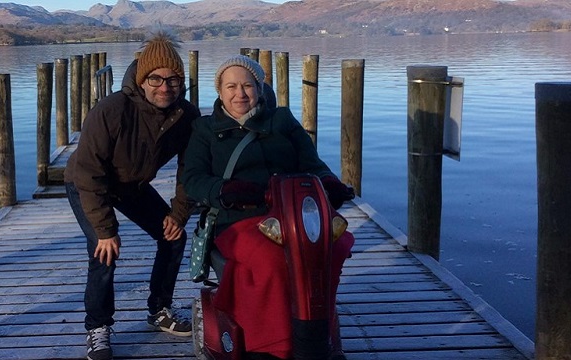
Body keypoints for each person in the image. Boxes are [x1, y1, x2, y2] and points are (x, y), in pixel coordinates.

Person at [182, 55, 355, 360]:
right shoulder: (204, 129)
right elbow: (192, 180)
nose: (240, 93)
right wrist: (223, 190)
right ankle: (273, 346)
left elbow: (312, 164)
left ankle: (317, 330)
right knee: (273, 260)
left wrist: (330, 183)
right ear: (220, 92)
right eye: (231, 86)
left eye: (248, 85)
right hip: (237, 217)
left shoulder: (283, 121)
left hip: (292, 213)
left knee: (336, 246)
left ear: (260, 90)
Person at [64, 32, 201, 360]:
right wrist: (105, 229)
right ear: (141, 80)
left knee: (173, 237)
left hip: (131, 186)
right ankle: (98, 326)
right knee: (103, 251)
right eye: (155, 78)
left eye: (173, 80)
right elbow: (88, 172)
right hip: (87, 183)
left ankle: (159, 310)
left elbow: (190, 170)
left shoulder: (186, 116)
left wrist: (179, 213)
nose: (164, 86)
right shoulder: (111, 110)